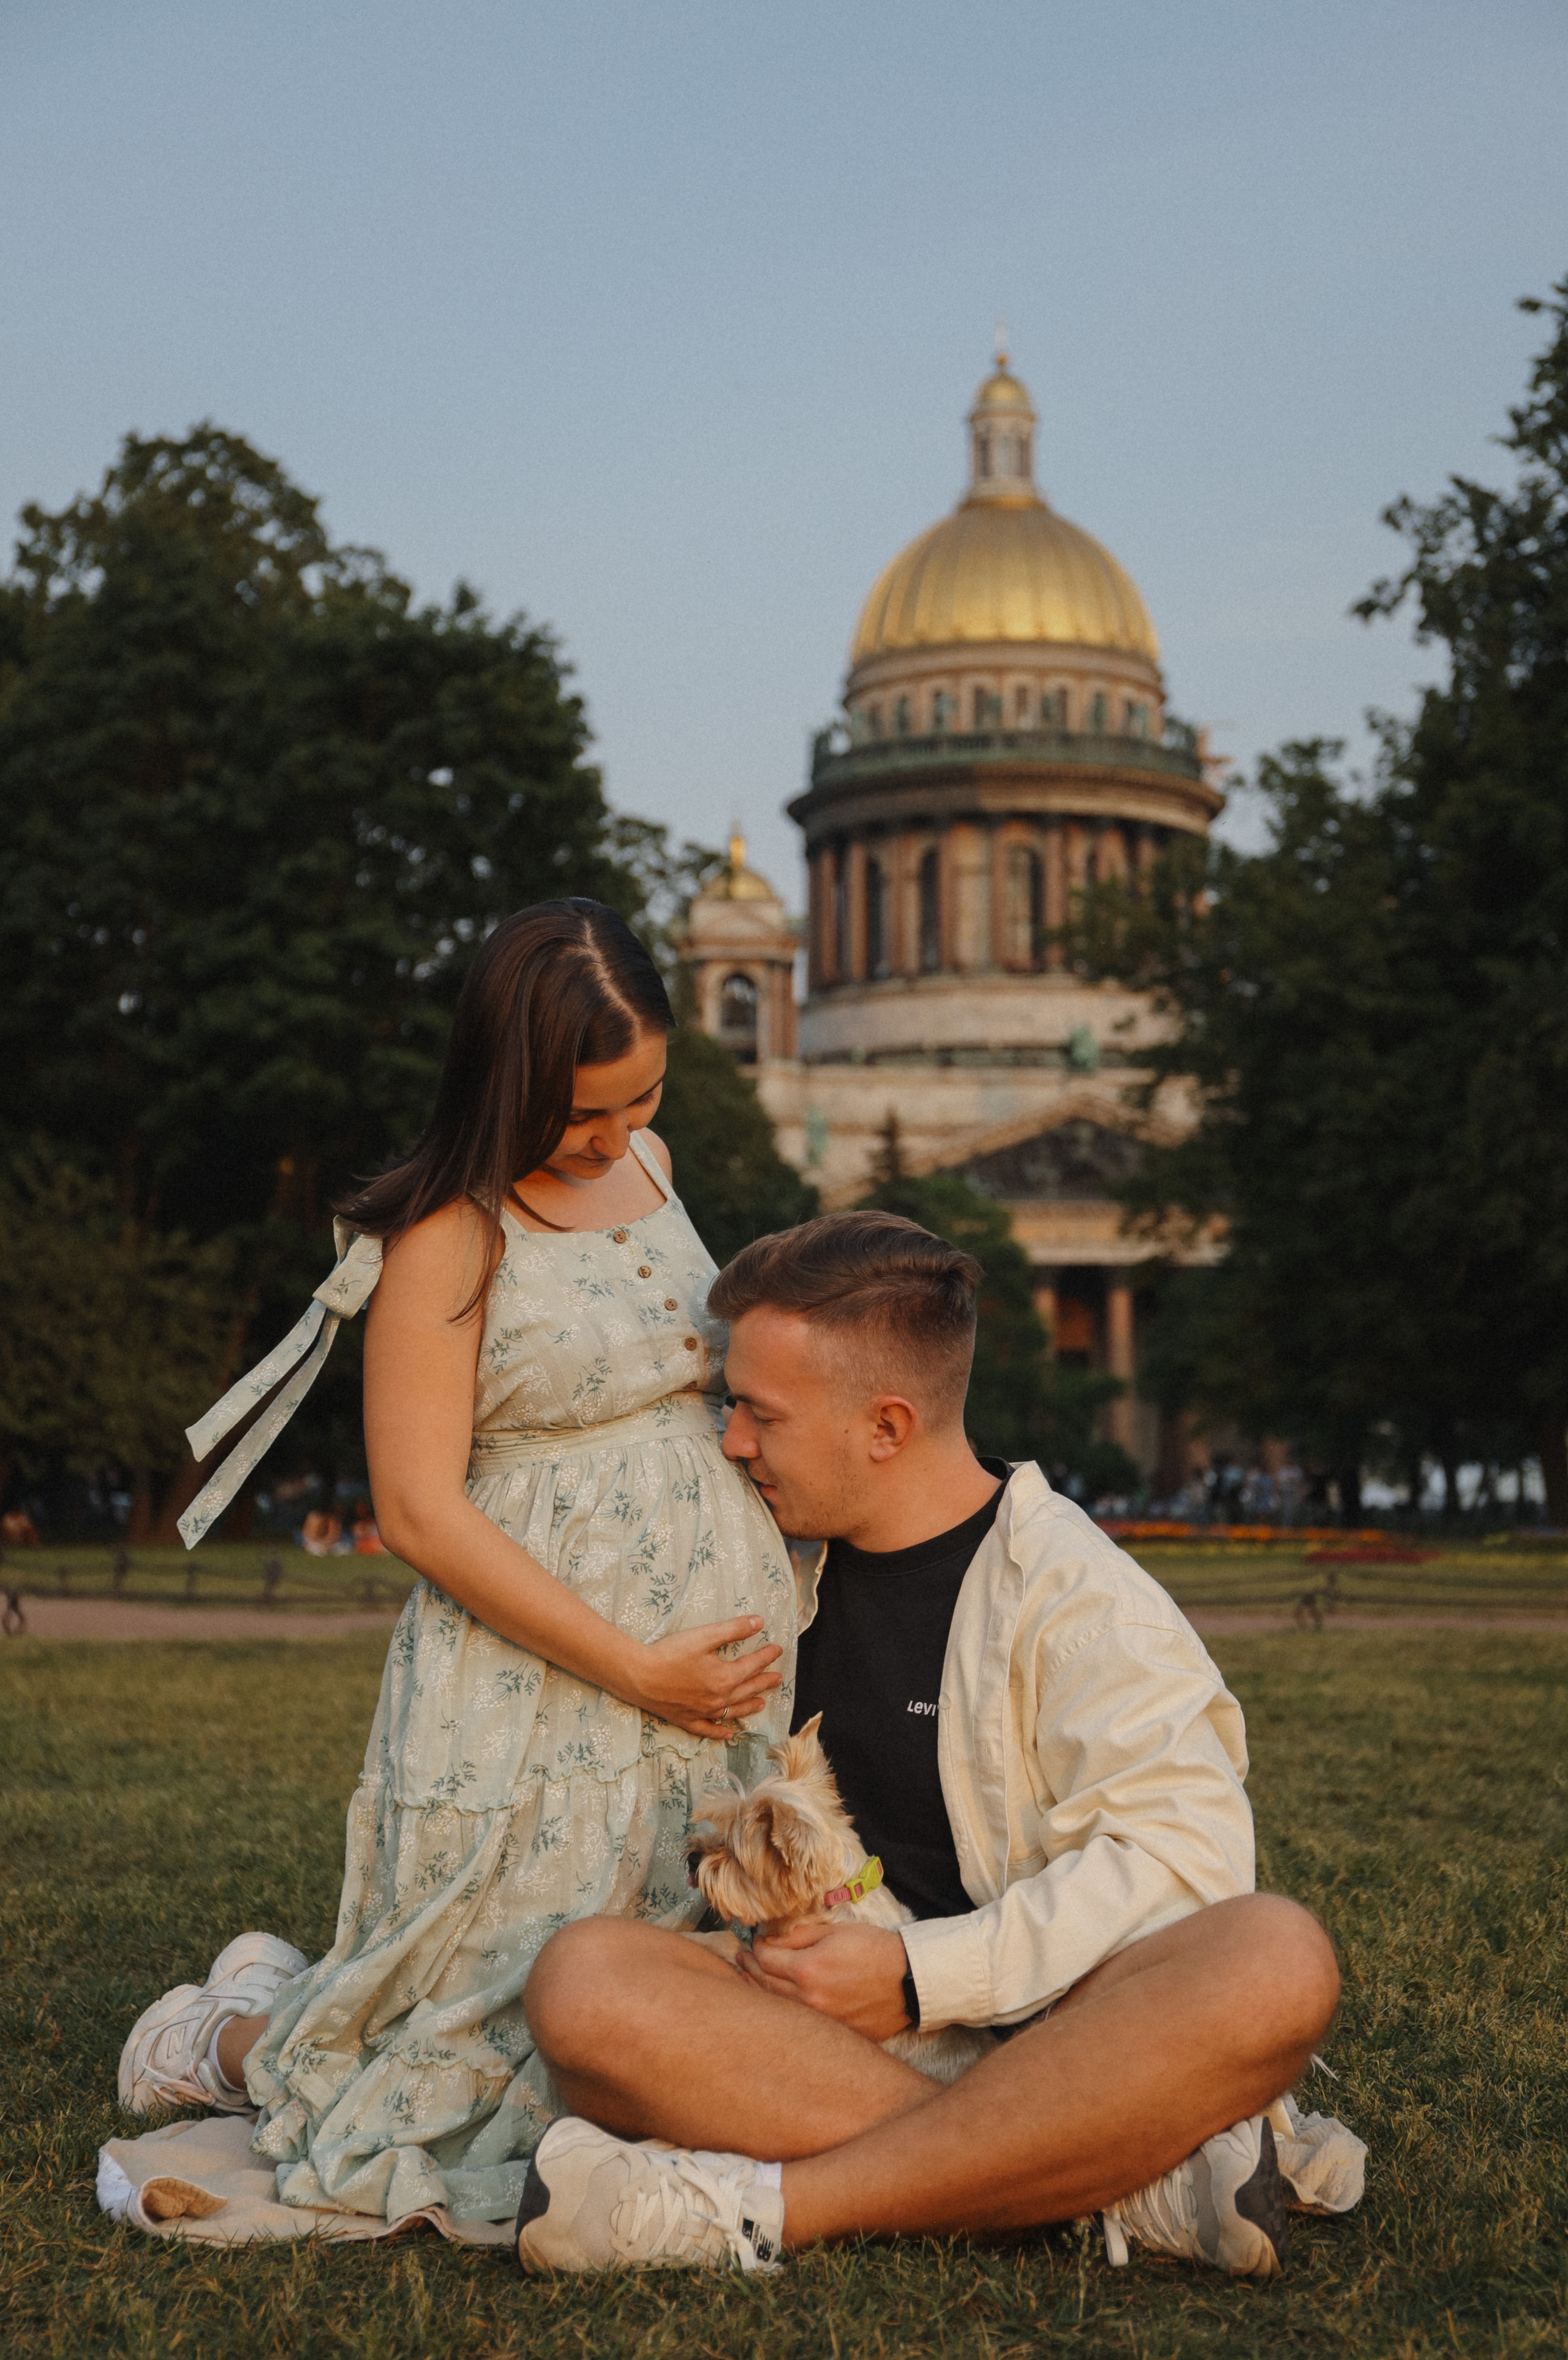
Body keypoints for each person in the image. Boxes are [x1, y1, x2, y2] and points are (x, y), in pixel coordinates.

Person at [114, 899, 794, 2230]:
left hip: (696, 1691)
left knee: (681, 2006)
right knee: (466, 2070)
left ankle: (271, 1993)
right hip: (543, 1690)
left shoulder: (652, 1165)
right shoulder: (447, 1231)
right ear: (509, 1082)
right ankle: (217, 2043)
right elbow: (419, 1512)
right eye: (581, 1113)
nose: (612, 1136)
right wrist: (636, 1668)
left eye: (639, 1096)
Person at [517, 1212, 1351, 2280]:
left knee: (1274, 1960)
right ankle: (1096, 2177)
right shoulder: (759, 1563)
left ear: (886, 1425)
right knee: (585, 1984)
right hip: (809, 2039)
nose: (731, 1443)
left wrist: (918, 1978)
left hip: (1052, 2034)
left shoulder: (1079, 1597)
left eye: (759, 1416)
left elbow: (1187, 1865)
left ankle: (761, 2208)